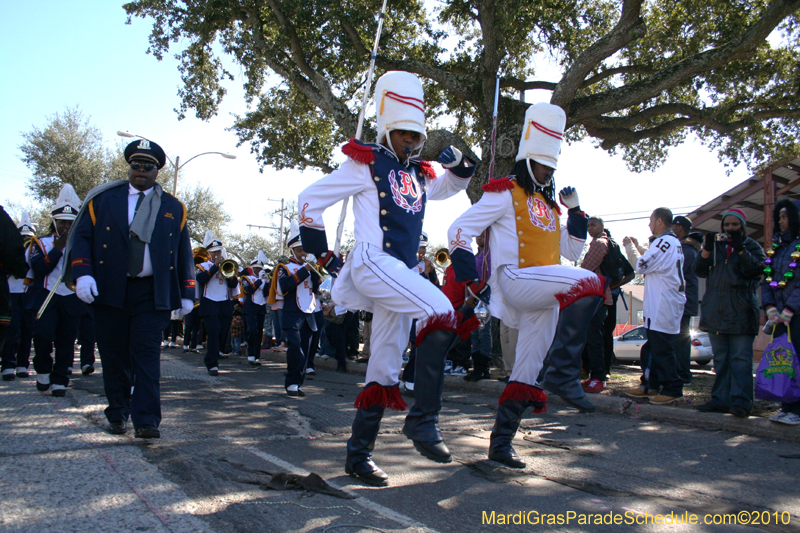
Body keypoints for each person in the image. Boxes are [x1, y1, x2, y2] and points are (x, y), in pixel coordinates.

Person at [297, 71, 476, 486]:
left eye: (417, 135)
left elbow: (453, 186)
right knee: (440, 309)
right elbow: (310, 199)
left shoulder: (420, 173)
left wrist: (461, 164)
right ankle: (424, 419)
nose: (412, 142)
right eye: (404, 134)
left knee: (385, 363)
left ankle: (358, 457)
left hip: (402, 272)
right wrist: (322, 254)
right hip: (372, 261)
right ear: (388, 129)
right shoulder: (365, 164)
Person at [447, 102, 605, 468]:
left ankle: (500, 444)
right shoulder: (504, 193)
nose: (547, 171)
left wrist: (577, 212)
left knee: (526, 369)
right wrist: (469, 277)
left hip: (544, 293)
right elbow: (459, 229)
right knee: (591, 283)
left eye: (551, 165)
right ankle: (565, 373)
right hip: (516, 280)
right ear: (526, 161)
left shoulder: (550, 208)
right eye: (541, 164)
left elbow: (571, 250)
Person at [71, 139, 195, 438]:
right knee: (114, 356)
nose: (141, 170)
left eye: (148, 166)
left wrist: (188, 292)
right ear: (129, 168)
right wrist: (82, 274)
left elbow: (183, 251)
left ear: (157, 171)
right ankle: (117, 411)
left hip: (152, 292)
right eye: (136, 165)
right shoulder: (102, 200)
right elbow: (82, 239)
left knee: (147, 356)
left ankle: (147, 420)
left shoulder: (173, 207)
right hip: (110, 289)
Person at [694, 207, 765, 417]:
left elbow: (755, 270)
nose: (730, 228)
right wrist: (706, 248)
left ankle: (741, 402)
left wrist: (740, 248)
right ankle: (720, 400)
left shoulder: (752, 246)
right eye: (727, 225)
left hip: (741, 312)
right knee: (721, 359)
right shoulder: (715, 247)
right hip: (716, 311)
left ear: (742, 226)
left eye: (735, 225)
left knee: (741, 360)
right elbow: (699, 270)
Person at [622, 208, 686, 404]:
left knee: (661, 349)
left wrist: (629, 247)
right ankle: (649, 384)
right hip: (665, 302)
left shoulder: (664, 241)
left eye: (651, 221)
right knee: (652, 348)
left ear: (659, 221)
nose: (649, 225)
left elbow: (641, 265)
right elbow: (654, 259)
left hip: (663, 303)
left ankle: (672, 388)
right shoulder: (671, 242)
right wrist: (639, 246)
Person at [29, 184, 87, 397]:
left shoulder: (82, 244)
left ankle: (60, 378)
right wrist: (58, 248)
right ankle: (43, 370)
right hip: (47, 296)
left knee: (66, 340)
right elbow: (39, 268)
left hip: (71, 297)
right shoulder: (42, 243)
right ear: (54, 222)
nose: (65, 227)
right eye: (62, 222)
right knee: (43, 335)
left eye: (70, 223)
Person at [268, 221, 320, 397]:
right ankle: (291, 382)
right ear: (291, 251)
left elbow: (317, 288)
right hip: (292, 313)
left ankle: (298, 383)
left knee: (305, 351)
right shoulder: (284, 268)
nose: (303, 253)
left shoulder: (311, 267)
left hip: (309, 312)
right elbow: (285, 286)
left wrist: (315, 271)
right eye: (299, 250)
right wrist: (306, 269)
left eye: (304, 249)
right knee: (295, 348)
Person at [760, 200, 800, 425]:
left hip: (795, 316)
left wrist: (791, 308)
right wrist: (769, 306)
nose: (782, 222)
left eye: (786, 217)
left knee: (798, 361)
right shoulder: (776, 248)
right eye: (780, 218)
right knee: (782, 362)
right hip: (778, 317)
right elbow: (767, 279)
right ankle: (786, 406)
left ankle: (798, 409)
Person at [196, 231, 239, 376]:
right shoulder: (203, 266)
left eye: (218, 251)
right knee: (213, 333)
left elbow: (233, 285)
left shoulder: (227, 264)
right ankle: (212, 363)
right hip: (210, 302)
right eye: (213, 252)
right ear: (209, 253)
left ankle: (217, 355)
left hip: (224, 303)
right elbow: (200, 279)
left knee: (222, 333)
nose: (216, 254)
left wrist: (229, 272)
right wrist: (215, 266)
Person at [579, 216, 613, 393]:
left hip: (597, 297)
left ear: (601, 226)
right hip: (599, 296)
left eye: (593, 225)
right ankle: (595, 376)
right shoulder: (604, 242)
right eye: (588, 226)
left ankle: (599, 378)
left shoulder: (599, 243)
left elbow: (585, 268)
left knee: (594, 340)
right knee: (593, 339)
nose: (589, 228)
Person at [1, 211, 35, 380]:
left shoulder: (35, 248)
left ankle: (22, 363)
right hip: (11, 292)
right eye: (22, 237)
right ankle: (7, 363)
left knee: (27, 329)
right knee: (11, 328)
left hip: (28, 293)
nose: (25, 240)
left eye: (28, 237)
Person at [671, 215, 700, 384]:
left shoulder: (686, 250)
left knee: (680, 341)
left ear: (679, 228)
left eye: (673, 226)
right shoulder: (685, 249)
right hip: (682, 301)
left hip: (683, 301)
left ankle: (683, 374)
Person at [466, 230, 493, 381]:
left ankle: (484, 367)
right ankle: (476, 367)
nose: (479, 239)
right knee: (474, 332)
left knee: (483, 331)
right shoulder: (476, 256)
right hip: (473, 296)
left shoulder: (489, 256)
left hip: (484, 295)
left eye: (482, 236)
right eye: (477, 236)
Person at [241, 251, 270, 366]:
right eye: (256, 268)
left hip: (261, 307)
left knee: (259, 332)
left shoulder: (263, 279)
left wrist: (267, 283)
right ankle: (251, 354)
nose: (258, 270)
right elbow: (249, 290)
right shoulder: (246, 278)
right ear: (252, 268)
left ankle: (257, 356)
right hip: (250, 307)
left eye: (260, 268)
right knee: (252, 330)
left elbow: (266, 294)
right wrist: (259, 280)